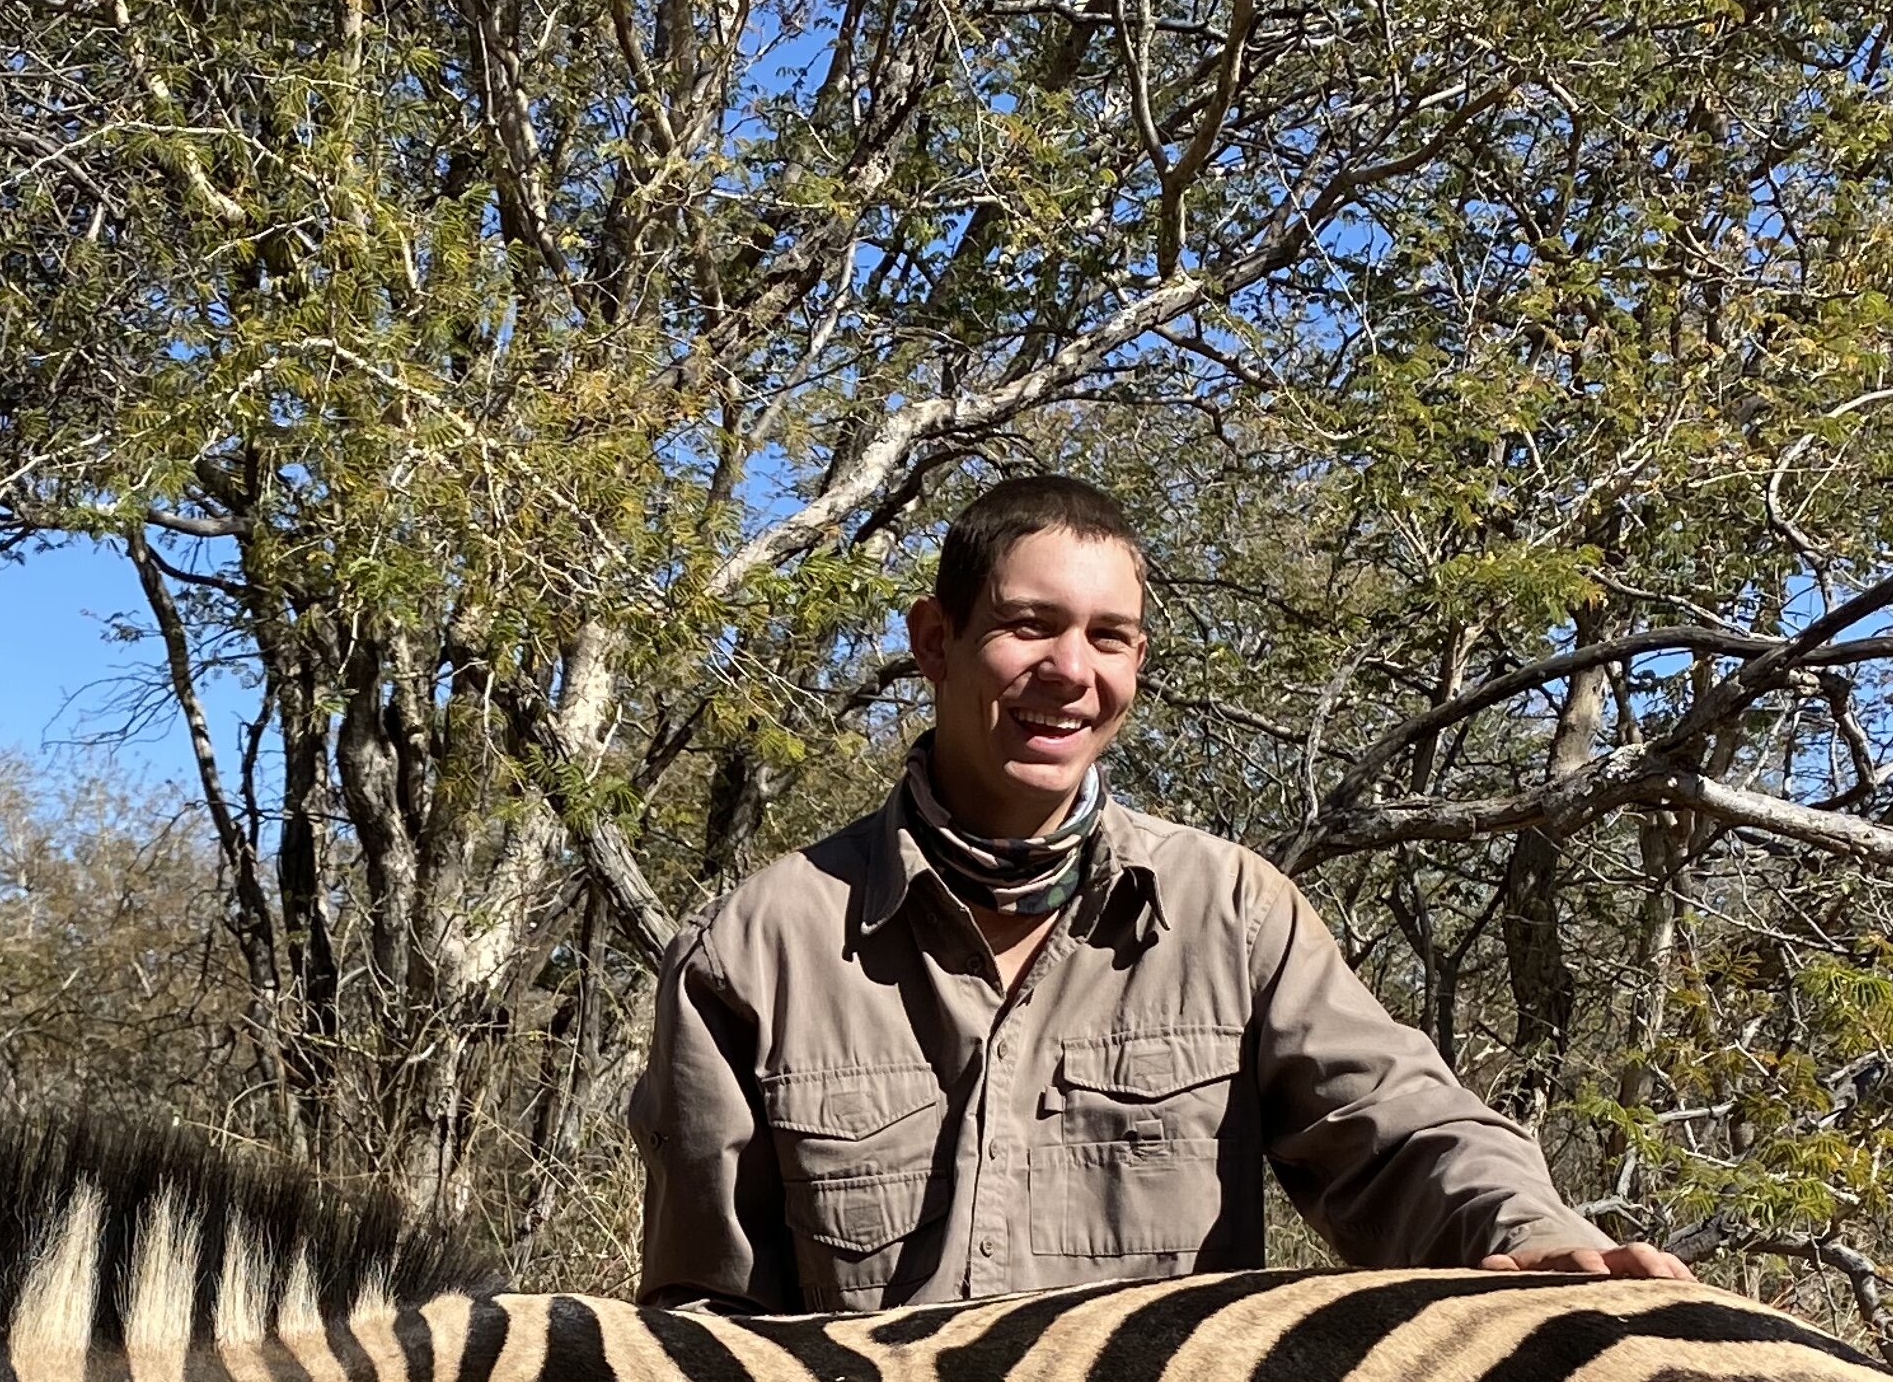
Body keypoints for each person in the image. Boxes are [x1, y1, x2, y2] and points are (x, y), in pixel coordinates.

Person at [632, 473, 1692, 1313]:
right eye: (1027, 625)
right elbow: (705, 1321)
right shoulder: (759, 947)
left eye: (1108, 637)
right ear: (936, 641)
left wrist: (1537, 1240)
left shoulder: (1232, 913)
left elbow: (1401, 1132)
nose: (1068, 671)